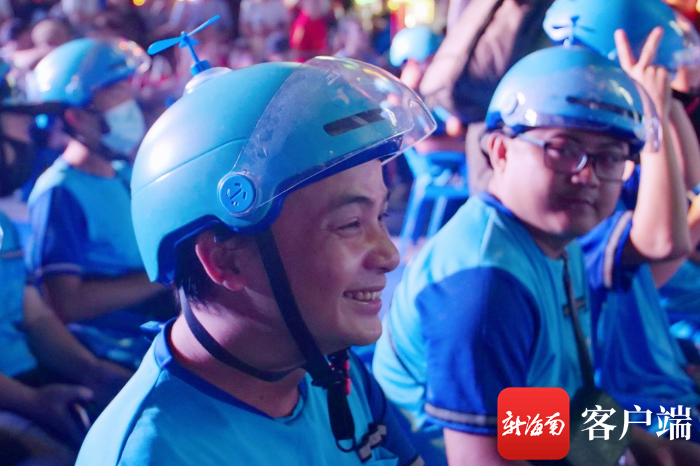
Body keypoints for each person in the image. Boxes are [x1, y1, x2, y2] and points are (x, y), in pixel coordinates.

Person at [75, 52, 436, 465]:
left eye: (381, 216)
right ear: (224, 260)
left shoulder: (333, 369)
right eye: (351, 224)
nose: (390, 256)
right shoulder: (156, 454)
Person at [372, 43, 700, 465]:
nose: (587, 175)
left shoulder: (555, 242)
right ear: (500, 150)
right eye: (563, 148)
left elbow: (560, 408)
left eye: (609, 158)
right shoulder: (485, 285)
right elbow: (479, 459)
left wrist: (657, 449)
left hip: (533, 426)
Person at [546, 0, 700, 430]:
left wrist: (661, 100)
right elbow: (665, 242)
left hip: (647, 378)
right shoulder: (578, 195)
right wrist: (653, 111)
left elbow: (688, 177)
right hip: (623, 402)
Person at [0, 62, 131, 465]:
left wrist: (94, 373)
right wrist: (34, 404)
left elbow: (36, 317)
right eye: (20, 129)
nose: (31, 139)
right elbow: (64, 303)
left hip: (30, 380)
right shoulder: (60, 190)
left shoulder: (4, 225)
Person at [24, 38, 176, 370]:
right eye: (117, 95)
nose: (130, 105)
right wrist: (160, 276)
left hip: (156, 333)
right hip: (116, 351)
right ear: (76, 117)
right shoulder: (60, 192)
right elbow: (64, 303)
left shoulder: (124, 173)